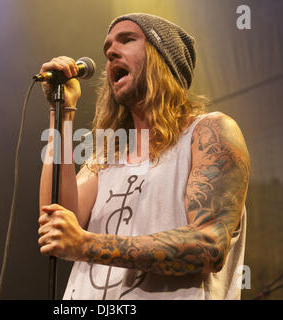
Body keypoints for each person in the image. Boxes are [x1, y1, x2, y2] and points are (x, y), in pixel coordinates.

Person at [38, 13, 250, 300]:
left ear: (162, 58)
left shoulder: (208, 132)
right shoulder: (106, 155)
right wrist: (61, 112)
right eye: (108, 47)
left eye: (127, 40)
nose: (111, 52)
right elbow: (57, 220)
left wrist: (87, 244)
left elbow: (209, 245)